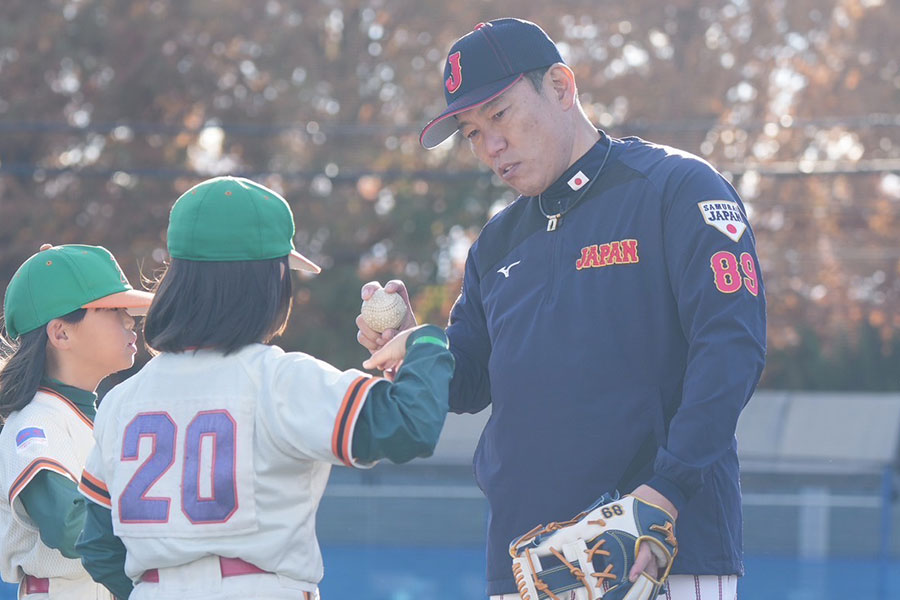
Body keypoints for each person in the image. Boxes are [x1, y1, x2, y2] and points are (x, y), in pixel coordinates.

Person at [357, 17, 766, 599]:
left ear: (561, 86)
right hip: (527, 565)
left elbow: (733, 347)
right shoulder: (494, 243)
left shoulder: (677, 188)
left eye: (498, 114)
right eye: (471, 132)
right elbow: (469, 380)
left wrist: (666, 492)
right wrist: (416, 344)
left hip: (659, 550)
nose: (489, 146)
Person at [74, 176, 454, 600]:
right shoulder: (281, 380)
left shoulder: (121, 401)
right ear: (271, 277)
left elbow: (97, 545)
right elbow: (408, 425)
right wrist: (425, 342)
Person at [0, 243, 154, 599]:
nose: (130, 320)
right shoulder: (34, 422)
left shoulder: (96, 416)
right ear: (61, 333)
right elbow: (70, 528)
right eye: (112, 310)